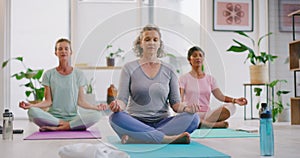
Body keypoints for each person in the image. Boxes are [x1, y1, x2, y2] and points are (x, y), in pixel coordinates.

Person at [109, 25, 200, 144]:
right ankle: (165, 138)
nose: (151, 42)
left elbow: (176, 104)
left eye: (155, 40)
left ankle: (139, 138)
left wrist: (187, 108)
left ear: (159, 44)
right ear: (140, 43)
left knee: (194, 118)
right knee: (115, 118)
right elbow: (122, 100)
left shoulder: (169, 69)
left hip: (163, 122)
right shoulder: (129, 68)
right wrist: (117, 106)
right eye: (147, 39)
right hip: (136, 121)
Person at [19, 38, 107, 131]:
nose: (63, 51)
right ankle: (65, 125)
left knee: (97, 114)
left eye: (66, 48)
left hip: (73, 118)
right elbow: (48, 102)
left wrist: (96, 107)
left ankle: (59, 127)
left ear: (70, 52)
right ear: (56, 53)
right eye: (60, 49)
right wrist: (30, 105)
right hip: (54, 118)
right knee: (32, 111)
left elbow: (81, 102)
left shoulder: (78, 74)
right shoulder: (48, 74)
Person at [179, 46, 247, 128]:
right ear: (189, 59)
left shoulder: (210, 79)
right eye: (194, 55)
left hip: (208, 115)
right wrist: (185, 109)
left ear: (203, 59)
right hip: (191, 113)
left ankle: (203, 123)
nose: (198, 57)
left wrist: (235, 100)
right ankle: (207, 124)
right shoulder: (183, 79)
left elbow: (220, 96)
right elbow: (180, 99)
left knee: (232, 106)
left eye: (200, 55)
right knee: (183, 114)